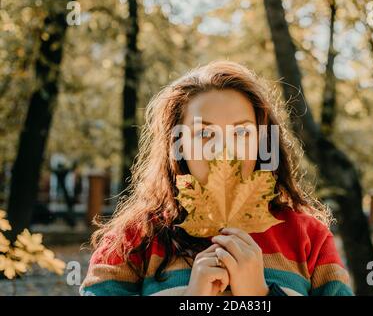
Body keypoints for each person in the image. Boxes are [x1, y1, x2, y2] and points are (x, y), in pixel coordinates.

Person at [80, 61, 353, 296]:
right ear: (178, 145)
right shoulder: (133, 239)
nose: (223, 150)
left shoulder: (308, 238)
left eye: (241, 133)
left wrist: (259, 295)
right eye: (204, 134)